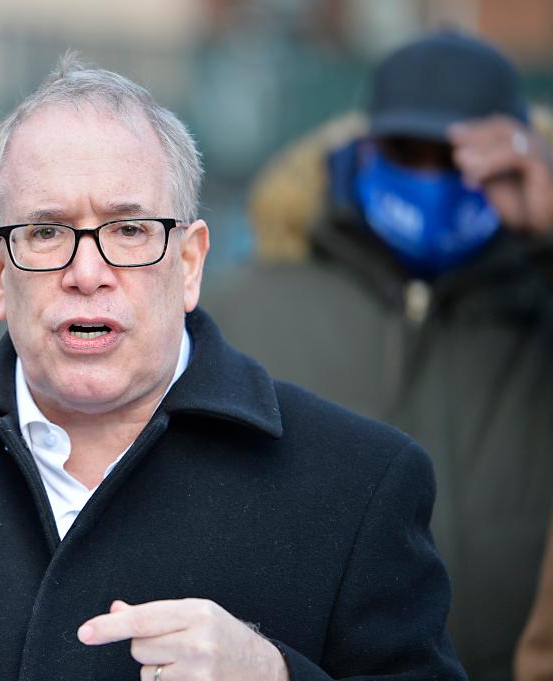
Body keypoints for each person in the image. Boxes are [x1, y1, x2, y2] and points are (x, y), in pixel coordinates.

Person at [0, 54, 465, 681]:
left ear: (189, 263)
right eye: (47, 231)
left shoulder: (357, 484)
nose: (87, 271)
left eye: (128, 229)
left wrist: (275, 674)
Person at [203, 30, 553, 681]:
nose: (433, 178)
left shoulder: (541, 298)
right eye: (407, 150)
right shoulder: (249, 307)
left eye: (462, 158)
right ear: (362, 150)